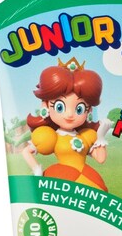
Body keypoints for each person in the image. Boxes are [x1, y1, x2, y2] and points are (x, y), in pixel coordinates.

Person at [23, 62, 110, 190]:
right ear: (45, 105)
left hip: (88, 178)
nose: (70, 114)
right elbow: (26, 151)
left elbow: (101, 159)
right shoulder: (50, 136)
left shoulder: (86, 135)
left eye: (79, 109)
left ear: (89, 110)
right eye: (60, 107)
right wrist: (37, 171)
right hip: (62, 178)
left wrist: (101, 137)